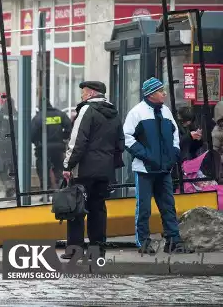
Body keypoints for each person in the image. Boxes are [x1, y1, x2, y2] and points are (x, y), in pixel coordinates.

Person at [123, 77, 193, 254]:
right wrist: (147, 156)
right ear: (151, 94)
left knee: (168, 206)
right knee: (144, 208)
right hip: (145, 169)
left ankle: (173, 240)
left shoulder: (166, 111)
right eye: (161, 90)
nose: (164, 93)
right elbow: (127, 138)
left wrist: (173, 154)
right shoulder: (136, 113)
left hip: (164, 168)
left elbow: (175, 134)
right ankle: (144, 242)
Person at [61, 81, 124, 259]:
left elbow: (77, 142)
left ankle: (75, 250)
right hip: (105, 171)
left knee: (76, 208)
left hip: (84, 170)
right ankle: (97, 250)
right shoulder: (114, 113)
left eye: (83, 93)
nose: (81, 96)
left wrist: (68, 165)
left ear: (90, 94)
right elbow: (120, 143)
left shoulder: (87, 110)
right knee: (98, 209)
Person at [31, 90, 72, 193]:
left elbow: (31, 134)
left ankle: (47, 190)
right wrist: (63, 137)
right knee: (58, 168)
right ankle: (60, 188)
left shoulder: (38, 117)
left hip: (43, 149)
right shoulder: (60, 114)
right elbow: (69, 128)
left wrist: (37, 142)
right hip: (58, 148)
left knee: (43, 169)